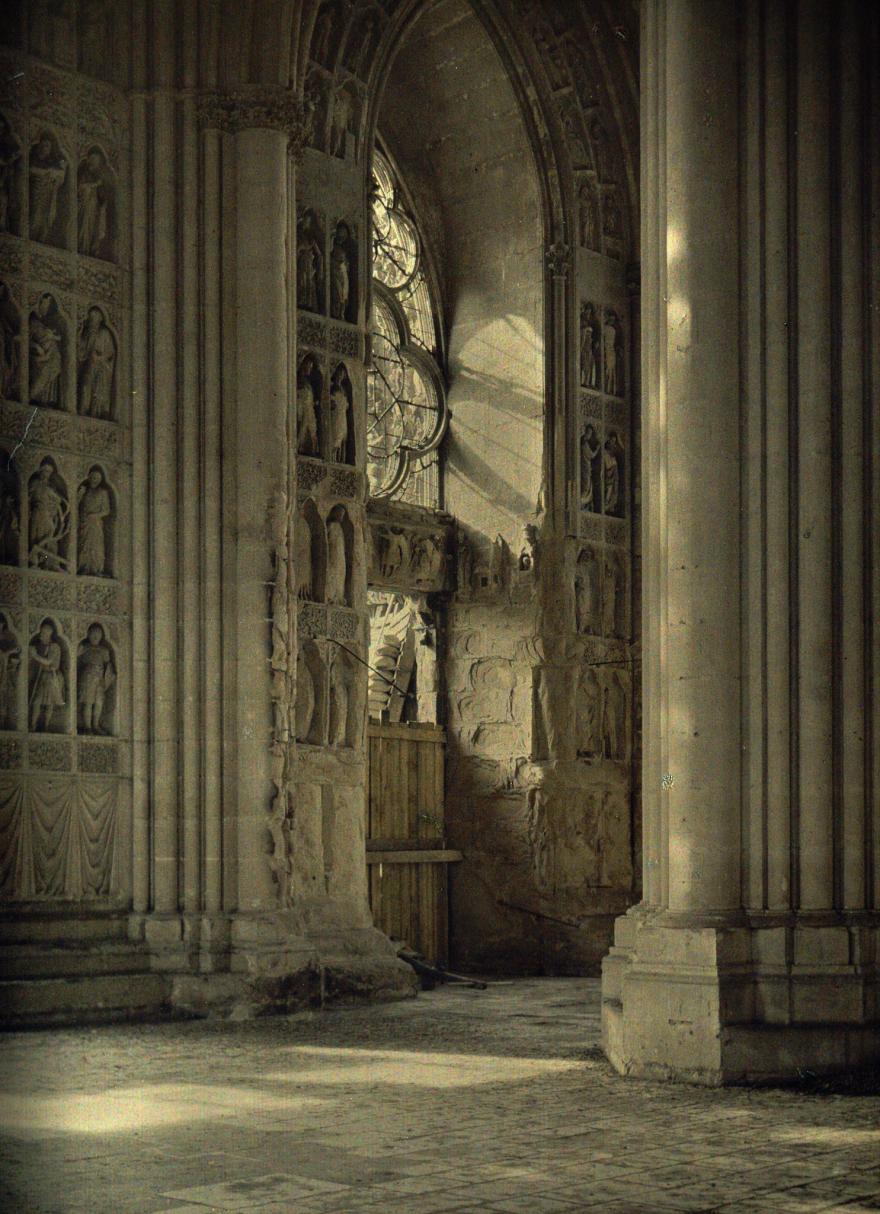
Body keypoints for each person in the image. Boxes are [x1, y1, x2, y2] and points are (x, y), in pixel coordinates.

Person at [28, 132, 67, 245]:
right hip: (36, 193)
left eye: (47, 146)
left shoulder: (52, 162)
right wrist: (46, 173)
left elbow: (60, 178)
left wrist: (61, 171)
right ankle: (32, 236)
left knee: (46, 219)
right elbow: (30, 170)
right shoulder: (34, 159)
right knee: (35, 216)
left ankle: (42, 237)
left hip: (49, 196)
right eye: (43, 145)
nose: (44, 148)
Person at [29, 460, 68, 569]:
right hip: (37, 512)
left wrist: (53, 509)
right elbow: (28, 497)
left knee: (49, 537)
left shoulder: (51, 487)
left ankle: (49, 562)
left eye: (49, 472)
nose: (46, 473)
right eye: (44, 470)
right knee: (36, 536)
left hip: (48, 515)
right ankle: (34, 561)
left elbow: (58, 500)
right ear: (40, 470)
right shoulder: (34, 483)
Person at [77, 306, 115, 417]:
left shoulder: (104, 333)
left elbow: (110, 353)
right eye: (90, 317)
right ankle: (83, 410)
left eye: (94, 317)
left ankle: (96, 413)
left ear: (99, 318)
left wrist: (100, 358)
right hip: (89, 365)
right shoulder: (88, 332)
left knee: (98, 391)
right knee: (85, 387)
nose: (91, 320)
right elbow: (82, 350)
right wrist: (79, 334)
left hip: (101, 368)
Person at [77, 623, 114, 734]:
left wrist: (108, 677)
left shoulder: (104, 650)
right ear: (88, 635)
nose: (95, 636)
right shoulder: (84, 648)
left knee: (99, 703)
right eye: (93, 634)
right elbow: (76, 660)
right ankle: (88, 727)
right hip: (87, 677)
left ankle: (96, 725)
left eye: (98, 634)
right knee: (88, 702)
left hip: (100, 678)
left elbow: (108, 665)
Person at [29, 620, 65, 733]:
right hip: (43, 676)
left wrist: (34, 655)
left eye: (43, 633)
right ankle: (33, 725)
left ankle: (46, 726)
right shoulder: (42, 646)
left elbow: (48, 662)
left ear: (49, 633)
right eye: (41, 633)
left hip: (52, 676)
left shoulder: (54, 646)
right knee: (36, 701)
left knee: (49, 703)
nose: (41, 635)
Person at [77, 147, 113, 259]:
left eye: (96, 159)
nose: (94, 161)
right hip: (85, 205)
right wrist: (94, 185)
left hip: (96, 207)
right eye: (92, 158)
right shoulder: (85, 173)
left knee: (95, 228)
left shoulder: (101, 175)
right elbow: (80, 188)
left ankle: (92, 248)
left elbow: (104, 195)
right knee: (84, 226)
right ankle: (82, 247)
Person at [29, 293, 63, 406]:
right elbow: (24, 339)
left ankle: (46, 399)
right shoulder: (32, 322)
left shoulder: (43, 324)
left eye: (47, 307)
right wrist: (37, 347)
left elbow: (57, 337)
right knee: (42, 374)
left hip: (51, 355)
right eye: (44, 306)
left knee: (51, 371)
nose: (45, 309)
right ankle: (34, 396)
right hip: (40, 355)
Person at [77, 466, 111, 575]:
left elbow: (106, 510)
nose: (94, 480)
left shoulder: (102, 492)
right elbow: (75, 505)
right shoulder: (85, 491)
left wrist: (95, 516)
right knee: (84, 545)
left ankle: (96, 568)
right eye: (93, 477)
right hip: (84, 522)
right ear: (89, 477)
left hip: (95, 523)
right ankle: (84, 567)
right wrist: (79, 495)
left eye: (97, 478)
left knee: (96, 546)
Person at [0, 281, 21, 400]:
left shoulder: (5, 307)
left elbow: (14, 325)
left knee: (6, 365)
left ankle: (4, 390)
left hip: (4, 343)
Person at [0, 612, 20, 730]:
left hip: (5, 674)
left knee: (4, 699)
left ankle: (2, 723)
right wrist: (8, 653)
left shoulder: (8, 638)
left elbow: (15, 654)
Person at [296, 355, 319, 455]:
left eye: (311, 367)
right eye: (308, 366)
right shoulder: (299, 381)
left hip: (309, 413)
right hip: (301, 410)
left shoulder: (307, 383)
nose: (309, 369)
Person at [328, 364, 349, 462]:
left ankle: (339, 460)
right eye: (339, 373)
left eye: (342, 373)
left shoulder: (343, 390)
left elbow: (346, 404)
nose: (340, 375)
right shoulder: (331, 387)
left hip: (342, 417)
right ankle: (332, 459)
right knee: (335, 436)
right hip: (335, 415)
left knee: (342, 438)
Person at [330, 223, 351, 320]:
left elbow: (344, 261)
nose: (342, 237)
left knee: (344, 294)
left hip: (343, 273)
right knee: (337, 293)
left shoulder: (343, 248)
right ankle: (336, 313)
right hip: (335, 272)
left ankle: (341, 313)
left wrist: (345, 264)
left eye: (344, 235)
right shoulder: (333, 245)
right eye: (341, 234)